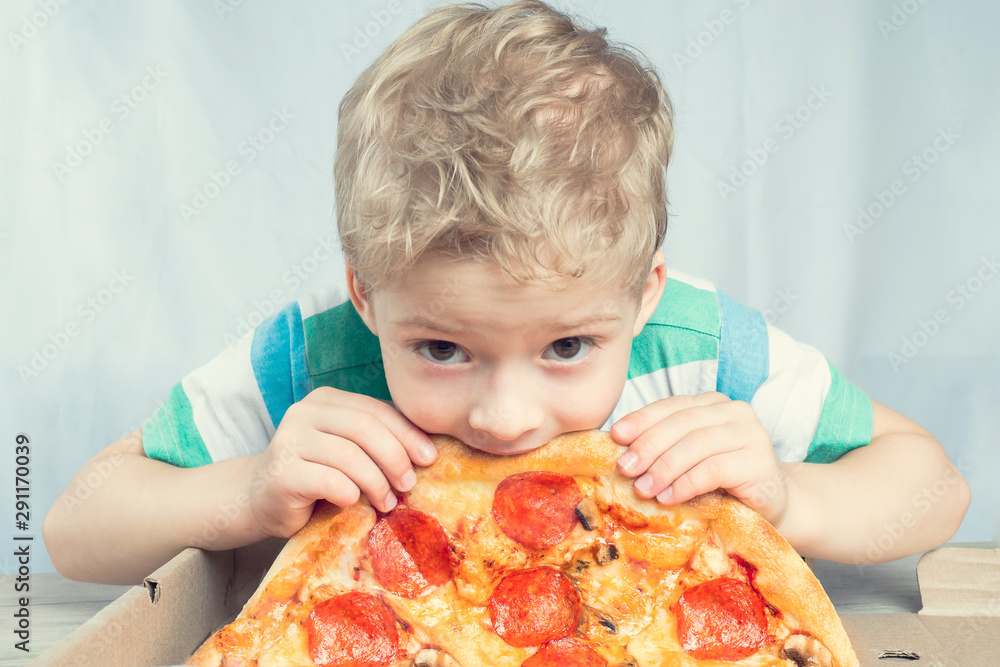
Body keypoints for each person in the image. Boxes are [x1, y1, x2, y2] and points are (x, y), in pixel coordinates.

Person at [43, 0, 969, 585]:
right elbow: (74, 531)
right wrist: (247, 492)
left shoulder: (701, 350)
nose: (505, 413)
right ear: (366, 297)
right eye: (441, 349)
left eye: (568, 347)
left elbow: (934, 489)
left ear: (642, 295)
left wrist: (793, 499)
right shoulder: (312, 363)